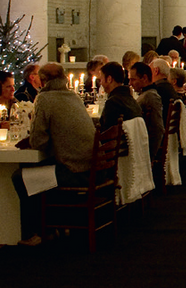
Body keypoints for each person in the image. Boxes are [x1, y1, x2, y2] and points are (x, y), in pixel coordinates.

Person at [14, 62, 95, 245]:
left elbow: (39, 143)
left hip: (74, 170)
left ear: (43, 81)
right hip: (90, 165)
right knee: (37, 172)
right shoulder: (73, 96)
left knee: (21, 177)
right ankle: (51, 225)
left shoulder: (44, 99)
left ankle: (33, 233)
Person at [129, 62, 164, 159]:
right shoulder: (146, 95)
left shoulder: (151, 96)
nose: (130, 83)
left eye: (133, 79)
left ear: (144, 78)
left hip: (143, 150)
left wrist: (150, 156)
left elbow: (158, 128)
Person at [99, 61, 141, 131]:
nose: (101, 83)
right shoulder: (132, 101)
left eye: (101, 79)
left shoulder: (113, 103)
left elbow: (105, 132)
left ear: (109, 79)